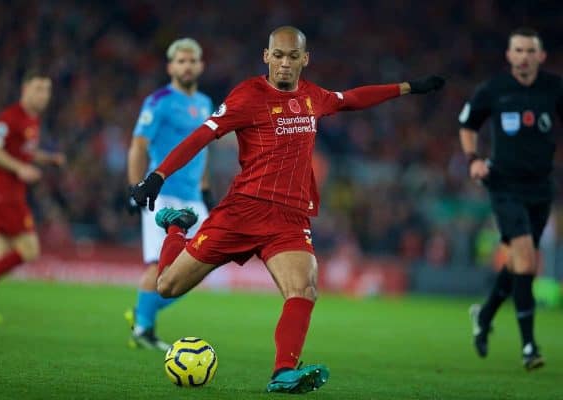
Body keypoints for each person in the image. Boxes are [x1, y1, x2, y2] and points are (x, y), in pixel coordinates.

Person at [131, 26, 444, 393]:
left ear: (304, 60)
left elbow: (353, 99)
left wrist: (407, 87)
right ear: (266, 57)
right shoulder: (247, 95)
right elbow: (202, 135)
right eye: (277, 56)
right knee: (167, 286)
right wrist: (157, 176)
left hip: (289, 219)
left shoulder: (314, 96)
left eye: (292, 57)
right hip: (241, 212)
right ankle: (176, 229)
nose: (284, 64)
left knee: (304, 289)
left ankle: (282, 372)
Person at [460, 27, 563, 370]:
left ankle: (485, 314)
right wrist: (473, 159)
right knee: (525, 258)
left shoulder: (553, 88)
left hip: (541, 187)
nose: (523, 57)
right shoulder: (494, 90)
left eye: (529, 51)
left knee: (523, 263)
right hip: (503, 184)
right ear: (509, 55)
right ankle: (530, 346)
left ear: (540, 56)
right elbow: (468, 123)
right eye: (517, 50)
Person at [124, 38, 214, 350]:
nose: (187, 66)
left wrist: (205, 187)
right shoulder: (158, 101)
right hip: (161, 196)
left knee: (204, 265)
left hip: (193, 198)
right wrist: (135, 188)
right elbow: (138, 145)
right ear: (170, 67)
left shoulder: (205, 102)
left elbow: (203, 150)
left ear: (200, 65)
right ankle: (143, 329)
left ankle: (142, 311)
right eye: (181, 61)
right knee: (158, 266)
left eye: (192, 61)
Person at [0, 70, 64, 323]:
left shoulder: (33, 121)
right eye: (39, 88)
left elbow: (23, 151)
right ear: (25, 89)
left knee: (2, 253)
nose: (44, 95)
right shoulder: (10, 117)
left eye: (48, 90)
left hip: (9, 192)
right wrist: (20, 169)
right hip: (3, 193)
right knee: (29, 250)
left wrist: (47, 158)